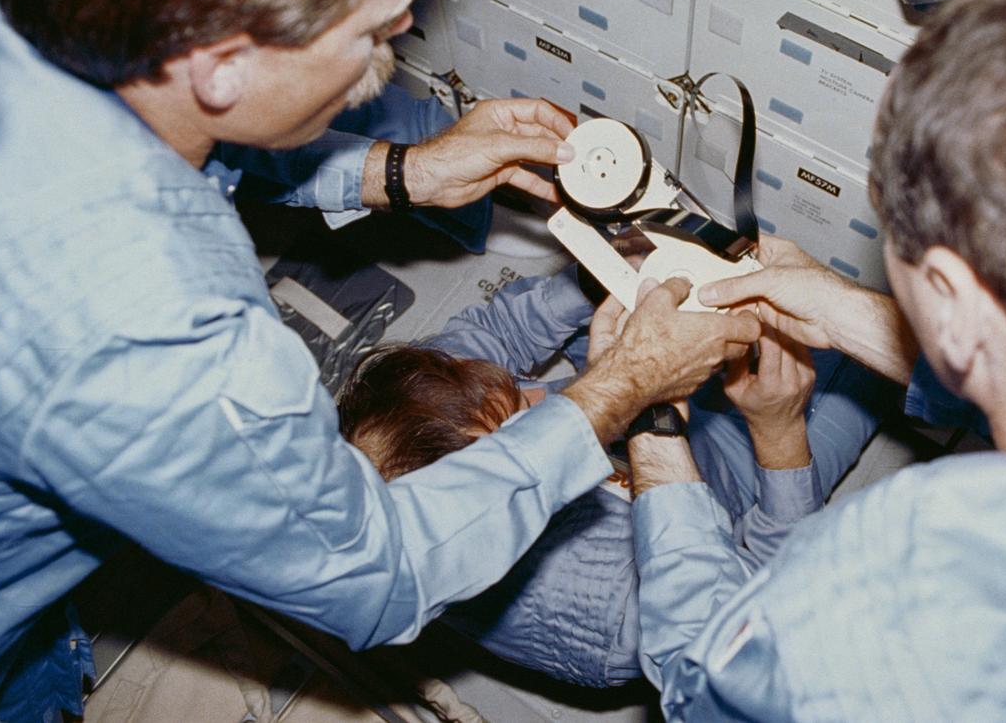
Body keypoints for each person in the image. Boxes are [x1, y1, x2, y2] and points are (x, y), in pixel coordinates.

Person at [0, 0, 761, 721]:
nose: (400, 41)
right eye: (373, 34)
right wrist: (624, 386)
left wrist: (403, 171)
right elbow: (379, 577)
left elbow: (174, 118)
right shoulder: (160, 335)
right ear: (224, 60)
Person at [624, 0, 1006, 721]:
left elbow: (697, 684)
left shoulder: (909, 580)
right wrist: (856, 313)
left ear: (952, 296)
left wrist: (650, 412)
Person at [333, 266, 902, 685]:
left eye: (516, 390)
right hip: (758, 496)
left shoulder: (413, 409)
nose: (543, 396)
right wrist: (779, 432)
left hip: (678, 414)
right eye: (519, 426)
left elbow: (501, 327)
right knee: (880, 355)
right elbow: (766, 593)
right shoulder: (603, 622)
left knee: (805, 297)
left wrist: (611, 269)